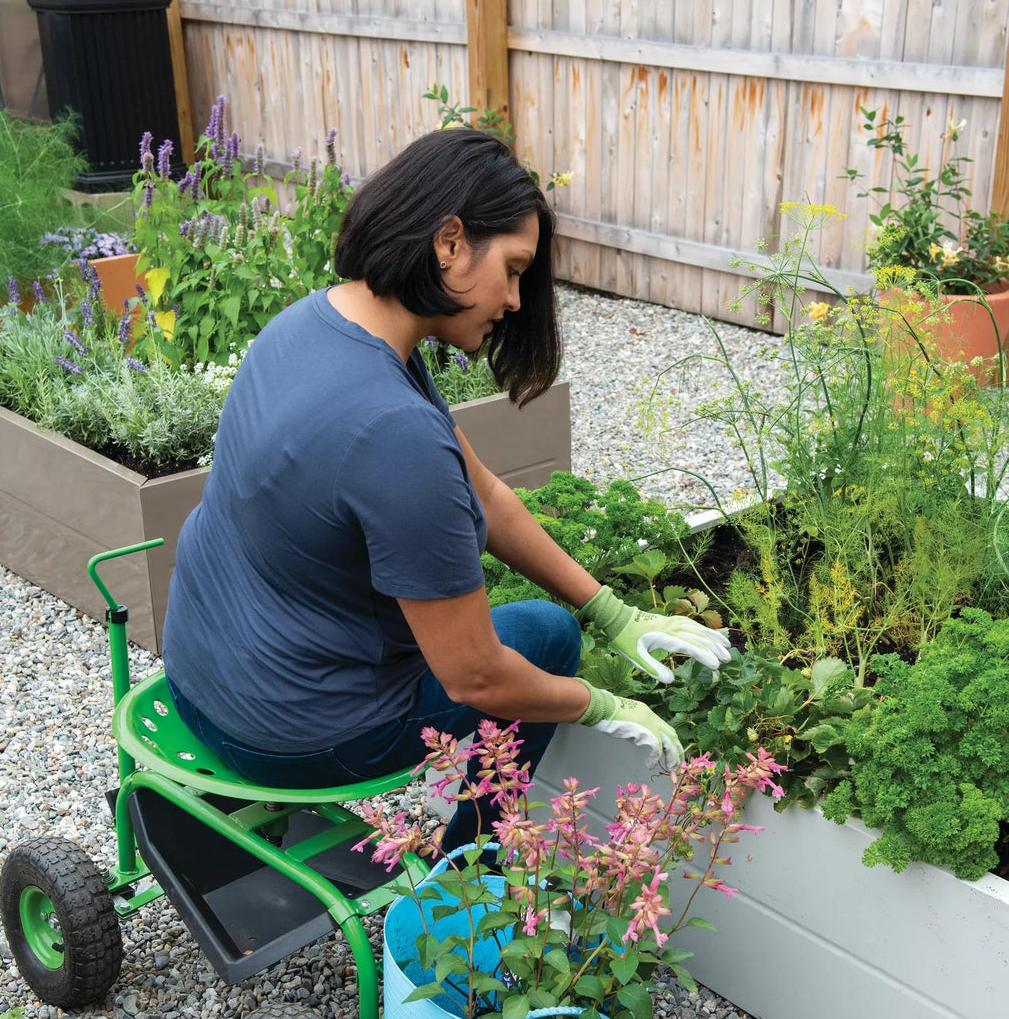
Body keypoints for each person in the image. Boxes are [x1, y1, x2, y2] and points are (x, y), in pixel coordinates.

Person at [161, 127, 730, 853]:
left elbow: (485, 495)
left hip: (196, 675)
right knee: (545, 638)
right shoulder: (392, 432)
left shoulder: (319, 323)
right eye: (515, 268)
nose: (518, 300)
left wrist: (612, 610)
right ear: (450, 241)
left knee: (546, 622)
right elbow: (477, 679)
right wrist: (601, 702)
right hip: (292, 735)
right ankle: (468, 867)